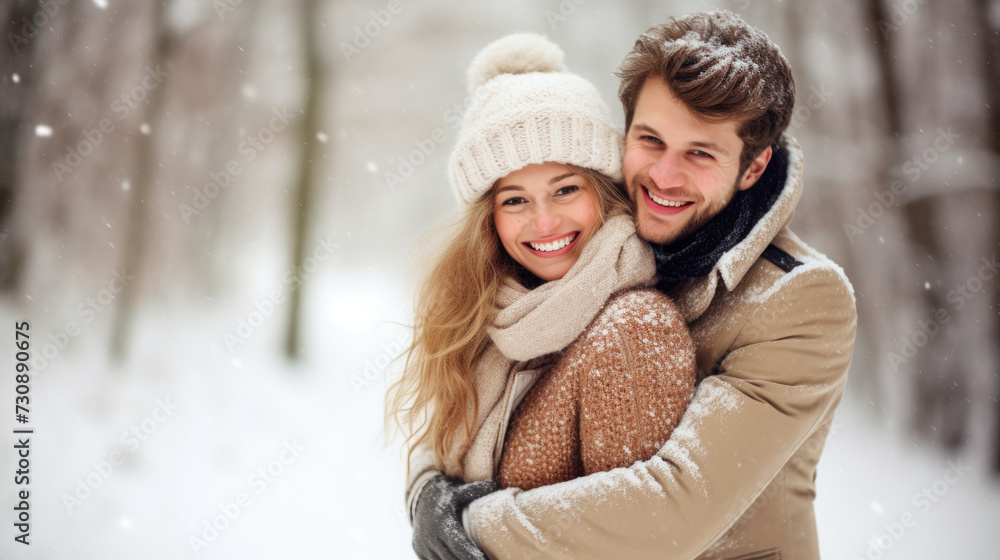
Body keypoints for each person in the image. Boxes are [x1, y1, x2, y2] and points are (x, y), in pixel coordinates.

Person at [415, 11, 858, 560]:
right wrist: (426, 490)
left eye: (700, 153)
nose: (664, 177)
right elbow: (470, 388)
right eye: (651, 140)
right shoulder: (597, 239)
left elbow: (674, 506)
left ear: (752, 167)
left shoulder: (800, 299)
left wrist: (469, 523)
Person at [385, 34, 698, 560]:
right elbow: (441, 432)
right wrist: (426, 493)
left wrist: (476, 523)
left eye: (565, 189)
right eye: (515, 200)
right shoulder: (487, 310)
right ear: (489, 219)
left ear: (603, 190)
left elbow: (639, 533)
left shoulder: (634, 326)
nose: (545, 221)